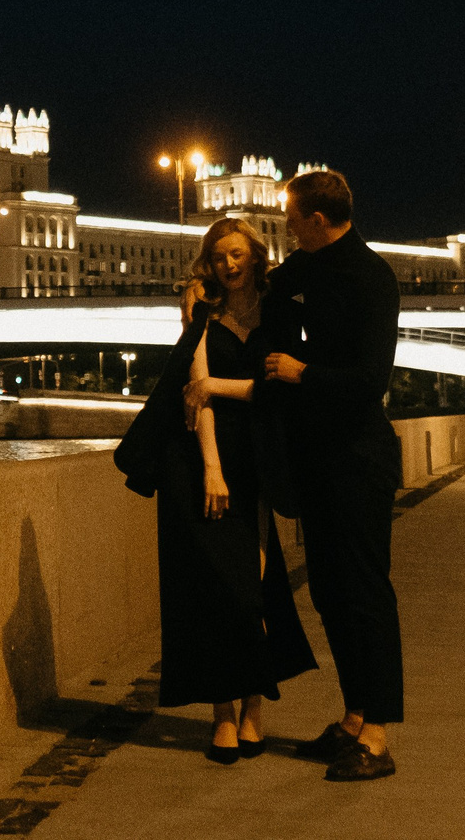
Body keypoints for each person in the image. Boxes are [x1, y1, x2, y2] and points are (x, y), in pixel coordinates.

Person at [112, 217, 316, 763]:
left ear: (255, 255)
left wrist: (217, 386)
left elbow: (277, 391)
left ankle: (255, 710)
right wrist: (212, 468)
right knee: (218, 590)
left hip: (261, 458)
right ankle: (223, 715)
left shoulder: (279, 315)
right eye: (219, 256)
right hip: (204, 462)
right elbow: (193, 395)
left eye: (237, 254)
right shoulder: (202, 315)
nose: (229, 265)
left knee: (256, 589)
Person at [253, 167, 402, 783]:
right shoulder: (301, 273)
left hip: (359, 460)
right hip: (317, 461)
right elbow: (254, 288)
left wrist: (301, 372)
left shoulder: (372, 277)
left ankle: (379, 733)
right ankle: (353, 715)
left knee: (366, 593)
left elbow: (372, 381)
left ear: (318, 219)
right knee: (330, 594)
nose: (286, 228)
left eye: (291, 219)